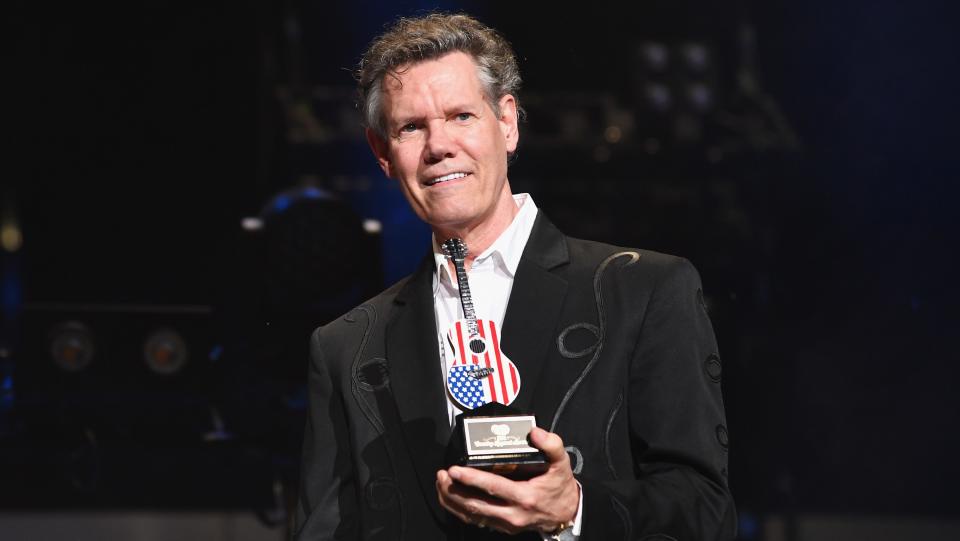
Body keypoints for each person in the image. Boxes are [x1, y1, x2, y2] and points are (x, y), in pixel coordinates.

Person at [293, 13, 735, 541]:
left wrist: (574, 510)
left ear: (507, 122)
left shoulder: (642, 292)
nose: (438, 146)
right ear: (383, 154)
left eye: (460, 116)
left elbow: (705, 514)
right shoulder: (347, 347)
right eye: (411, 127)